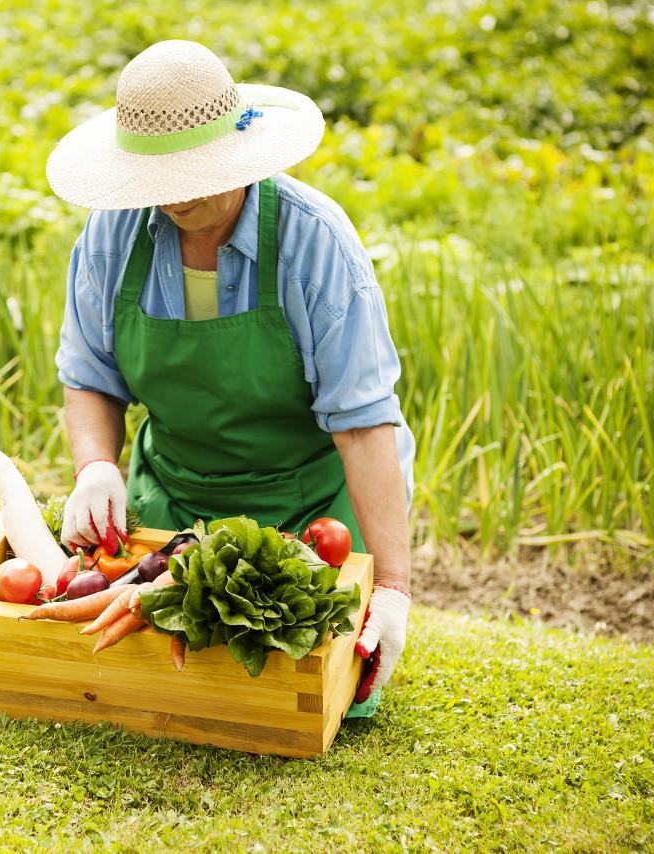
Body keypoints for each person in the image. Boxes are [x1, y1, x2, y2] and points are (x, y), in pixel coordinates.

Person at [45, 40, 413, 717]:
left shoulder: (314, 243)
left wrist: (390, 586)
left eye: (197, 169)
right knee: (145, 681)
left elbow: (363, 423)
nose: (180, 194)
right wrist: (95, 467)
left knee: (328, 697)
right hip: (176, 504)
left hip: (311, 511)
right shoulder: (110, 238)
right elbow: (90, 375)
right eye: (162, 176)